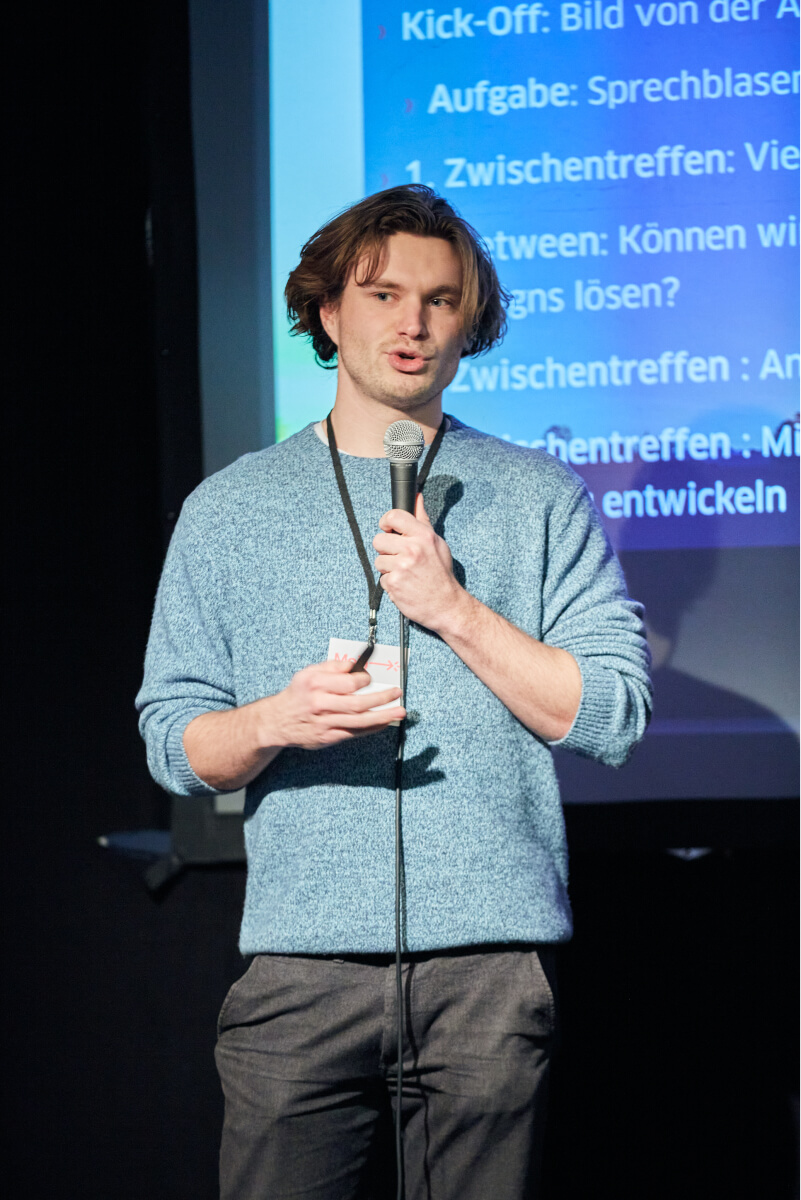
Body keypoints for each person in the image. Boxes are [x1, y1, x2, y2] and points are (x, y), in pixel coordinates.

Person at [136, 185, 652, 1199]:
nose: (413, 324)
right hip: (300, 966)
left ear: (471, 324)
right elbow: (170, 740)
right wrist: (277, 721)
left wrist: (454, 608)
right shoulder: (230, 509)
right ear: (329, 312)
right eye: (382, 295)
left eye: (442, 299)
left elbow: (611, 714)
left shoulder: (539, 496)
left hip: (489, 968)